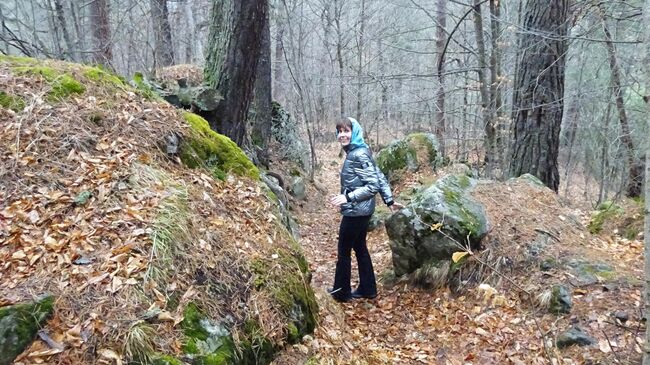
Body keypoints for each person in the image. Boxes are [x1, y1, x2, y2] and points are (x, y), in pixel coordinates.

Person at [328, 117, 402, 302]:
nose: (342, 135)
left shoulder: (358, 154)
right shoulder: (361, 151)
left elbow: (373, 184)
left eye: (346, 130)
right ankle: (368, 288)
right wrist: (389, 200)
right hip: (362, 211)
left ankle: (341, 292)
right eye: (340, 131)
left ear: (355, 132)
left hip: (356, 212)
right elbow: (379, 176)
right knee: (360, 247)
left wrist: (348, 197)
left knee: (344, 250)